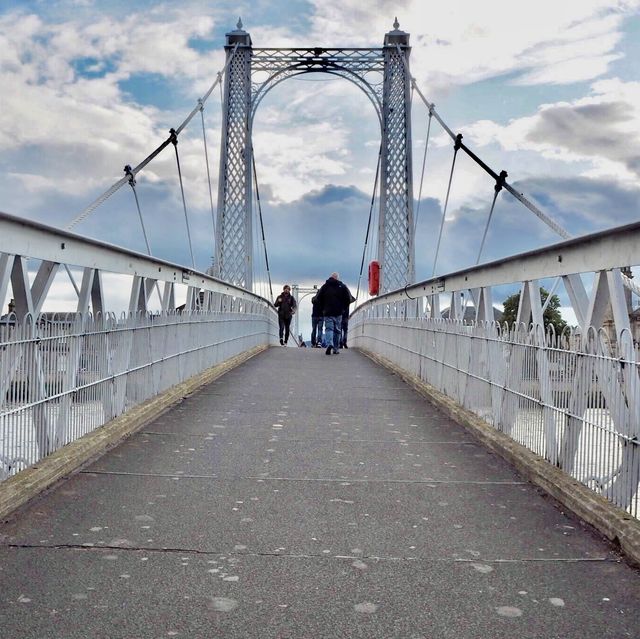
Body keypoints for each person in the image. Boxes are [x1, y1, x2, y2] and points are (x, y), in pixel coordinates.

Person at [314, 272, 351, 355]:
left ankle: (329, 344)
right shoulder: (342, 286)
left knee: (329, 329)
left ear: (330, 277)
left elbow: (317, 299)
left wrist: (323, 309)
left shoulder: (325, 286)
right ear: (337, 278)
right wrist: (343, 309)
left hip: (327, 312)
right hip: (338, 313)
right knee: (337, 331)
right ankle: (335, 348)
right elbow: (348, 299)